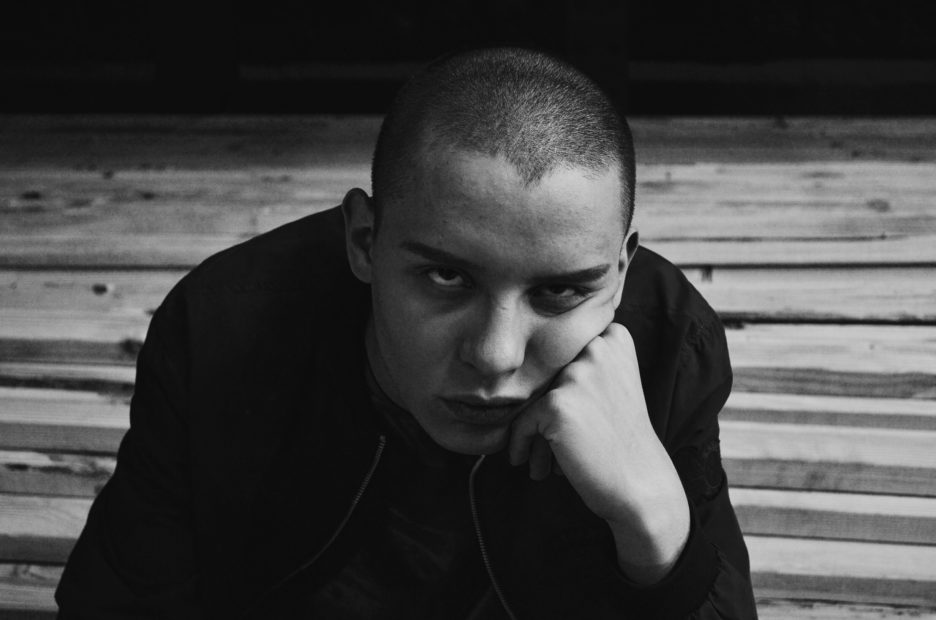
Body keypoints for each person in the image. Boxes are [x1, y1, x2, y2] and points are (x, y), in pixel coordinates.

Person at [56, 48, 757, 619]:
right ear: (364, 241)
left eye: (561, 292)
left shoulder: (670, 342)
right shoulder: (223, 330)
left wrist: (656, 527)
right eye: (447, 278)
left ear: (621, 270)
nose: (496, 355)